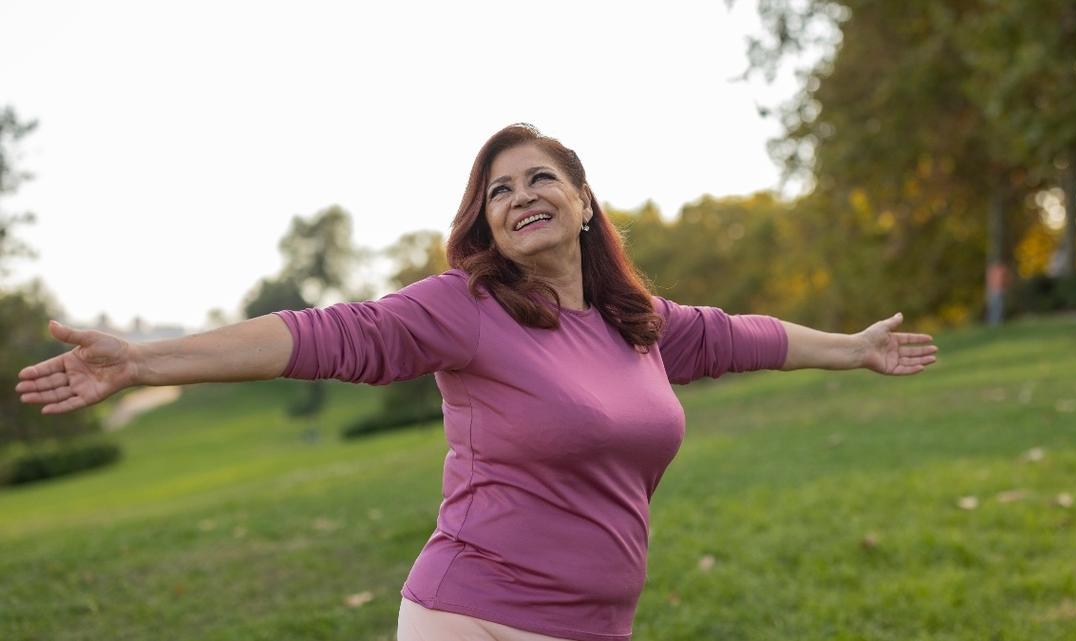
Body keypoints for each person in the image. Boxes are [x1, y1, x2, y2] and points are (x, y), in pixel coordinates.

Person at [15, 123, 938, 641]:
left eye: (541, 178)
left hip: (595, 622)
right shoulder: (466, 308)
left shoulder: (639, 323)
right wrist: (145, 361)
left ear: (584, 203)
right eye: (499, 190)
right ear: (488, 224)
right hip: (477, 616)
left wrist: (854, 349)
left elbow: (749, 337)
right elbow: (325, 335)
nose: (521, 194)